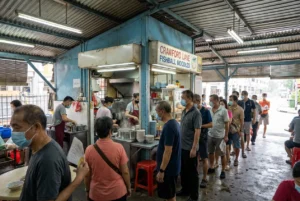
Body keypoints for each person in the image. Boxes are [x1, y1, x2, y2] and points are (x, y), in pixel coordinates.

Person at [10, 105, 89, 201]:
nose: (13, 133)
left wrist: (78, 180)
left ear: (36, 127)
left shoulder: (48, 160)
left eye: (17, 127)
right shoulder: (36, 148)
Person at [84, 116, 131, 201]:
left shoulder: (89, 150)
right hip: (117, 193)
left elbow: (87, 175)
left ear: (97, 132)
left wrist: (87, 190)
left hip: (96, 194)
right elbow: (125, 172)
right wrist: (128, 187)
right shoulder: (119, 148)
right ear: (110, 131)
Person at [176, 90, 201, 201]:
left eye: (183, 97)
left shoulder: (196, 113)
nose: (182, 99)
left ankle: (194, 195)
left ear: (190, 99)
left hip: (190, 148)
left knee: (192, 173)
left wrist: (194, 148)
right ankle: (185, 189)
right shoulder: (184, 111)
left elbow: (197, 131)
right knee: (183, 171)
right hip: (182, 147)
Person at [155, 101, 181, 201]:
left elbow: (168, 151)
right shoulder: (174, 123)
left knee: (170, 197)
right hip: (172, 167)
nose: (156, 114)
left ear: (162, 111)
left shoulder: (169, 127)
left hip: (168, 170)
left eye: (157, 111)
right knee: (169, 194)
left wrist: (161, 171)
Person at [207, 95, 229, 179]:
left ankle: (223, 170)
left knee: (222, 154)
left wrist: (226, 135)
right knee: (211, 153)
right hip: (210, 134)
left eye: (211, 100)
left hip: (220, 136)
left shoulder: (223, 111)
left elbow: (227, 123)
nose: (210, 102)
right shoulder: (209, 110)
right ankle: (211, 166)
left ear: (216, 100)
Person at [193, 94, 213, 188]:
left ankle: (204, 178)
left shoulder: (205, 111)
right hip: (193, 138)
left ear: (198, 101)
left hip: (203, 138)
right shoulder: (192, 111)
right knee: (195, 158)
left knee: (204, 158)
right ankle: (195, 176)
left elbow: (211, 124)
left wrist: (200, 126)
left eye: (194, 102)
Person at [228, 95, 244, 167]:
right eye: (229, 99)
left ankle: (236, 159)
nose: (230, 101)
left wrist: (241, 131)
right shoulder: (228, 108)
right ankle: (228, 158)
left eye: (231, 100)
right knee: (228, 145)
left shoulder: (240, 109)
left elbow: (242, 121)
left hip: (236, 130)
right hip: (228, 129)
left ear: (235, 101)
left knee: (236, 145)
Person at [241, 91, 256, 157]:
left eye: (243, 95)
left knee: (247, 133)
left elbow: (254, 110)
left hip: (247, 120)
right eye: (242, 95)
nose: (242, 96)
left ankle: (247, 146)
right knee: (240, 133)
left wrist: (254, 118)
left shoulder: (251, 102)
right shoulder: (240, 102)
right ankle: (241, 145)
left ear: (246, 95)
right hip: (241, 120)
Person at [219, 99, 232, 171]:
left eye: (222, 104)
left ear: (225, 105)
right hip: (219, 132)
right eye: (220, 104)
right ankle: (216, 163)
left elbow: (229, 122)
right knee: (218, 149)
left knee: (226, 149)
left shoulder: (228, 112)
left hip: (226, 132)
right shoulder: (217, 112)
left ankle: (227, 163)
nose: (221, 105)